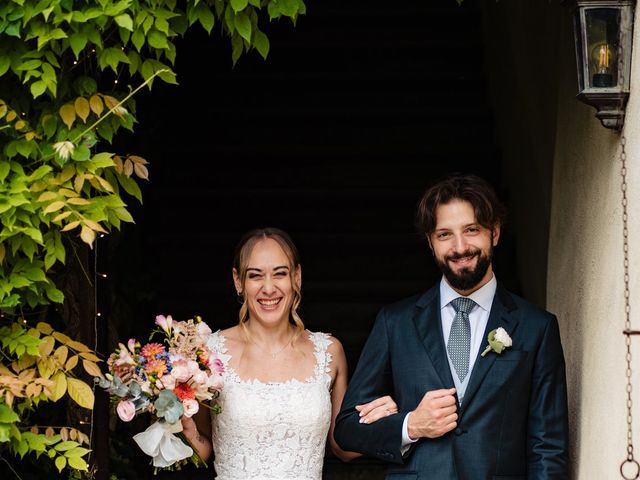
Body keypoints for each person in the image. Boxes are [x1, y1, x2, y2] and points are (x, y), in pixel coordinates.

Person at [334, 174, 569, 479]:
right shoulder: (396, 322)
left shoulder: (537, 328)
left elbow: (548, 448)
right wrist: (411, 426)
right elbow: (347, 430)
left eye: (471, 230)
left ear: (495, 233)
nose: (460, 247)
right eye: (445, 234)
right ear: (430, 243)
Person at [181, 227, 398, 479]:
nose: (269, 288)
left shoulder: (329, 351)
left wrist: (379, 421)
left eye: (280, 274)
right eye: (255, 276)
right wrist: (183, 429)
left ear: (297, 277)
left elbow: (342, 447)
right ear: (238, 281)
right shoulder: (209, 351)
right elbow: (204, 450)